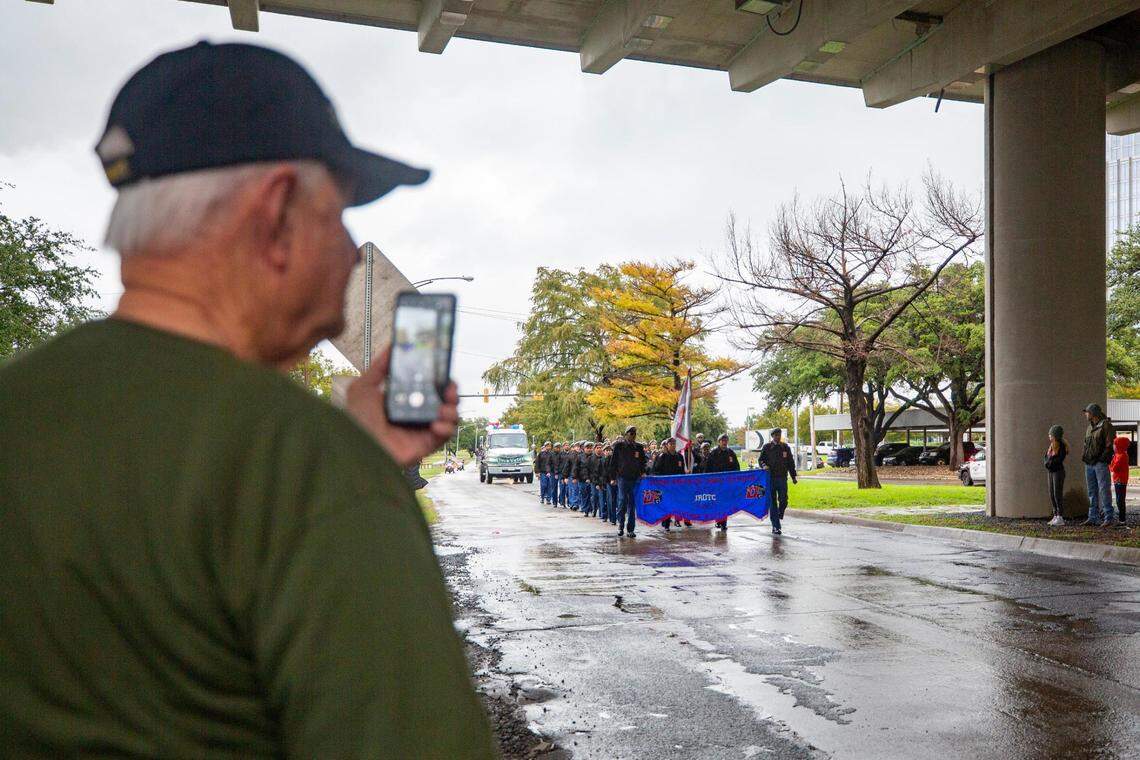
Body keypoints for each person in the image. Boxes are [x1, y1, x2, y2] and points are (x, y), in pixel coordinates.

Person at [0, 42, 494, 757]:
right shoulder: (304, 468)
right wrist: (347, 471)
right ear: (278, 211)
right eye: (340, 212)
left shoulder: (21, 404)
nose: (353, 249)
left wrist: (362, 457)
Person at [1081, 403, 1116, 526]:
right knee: (1092, 491)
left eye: (1087, 412)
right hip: (1089, 463)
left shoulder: (1106, 425)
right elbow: (1086, 444)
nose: (1085, 414)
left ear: (1093, 414)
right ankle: (1093, 517)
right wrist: (1085, 458)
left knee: (1104, 489)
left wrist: (1101, 460)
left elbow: (1109, 445)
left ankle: (1109, 517)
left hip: (1100, 463)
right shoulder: (1089, 427)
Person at [758, 428, 798, 535]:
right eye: (776, 435)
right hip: (770, 478)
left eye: (779, 435)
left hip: (782, 478)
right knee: (773, 503)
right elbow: (760, 460)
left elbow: (790, 462)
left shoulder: (785, 447)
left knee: (784, 499)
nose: (778, 437)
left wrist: (793, 476)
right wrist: (764, 465)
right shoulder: (767, 447)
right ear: (772, 436)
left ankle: (781, 512)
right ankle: (776, 526)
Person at [610, 425, 647, 538]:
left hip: (634, 479)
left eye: (634, 434)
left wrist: (643, 472)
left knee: (632, 503)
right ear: (626, 434)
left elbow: (642, 462)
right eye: (631, 434)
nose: (633, 436)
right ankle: (620, 525)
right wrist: (612, 478)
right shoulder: (619, 446)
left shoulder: (639, 447)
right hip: (622, 478)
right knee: (622, 502)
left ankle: (630, 529)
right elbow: (613, 463)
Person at [703, 434, 741, 531]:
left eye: (726, 440)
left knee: (725, 503)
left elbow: (736, 467)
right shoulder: (714, 453)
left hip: (727, 483)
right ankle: (718, 520)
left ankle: (723, 523)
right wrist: (708, 482)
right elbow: (708, 468)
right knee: (717, 503)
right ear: (719, 442)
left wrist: (736, 479)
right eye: (722, 440)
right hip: (716, 483)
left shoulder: (731, 453)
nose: (724, 442)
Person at [653, 437, 687, 531]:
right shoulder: (662, 456)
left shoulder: (679, 457)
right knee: (665, 504)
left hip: (675, 486)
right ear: (667, 445)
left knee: (674, 504)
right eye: (671, 444)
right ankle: (666, 524)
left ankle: (674, 521)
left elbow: (682, 472)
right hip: (664, 486)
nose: (673, 446)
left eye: (674, 444)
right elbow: (655, 470)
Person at [1044, 425, 1068, 526]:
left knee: (1057, 493)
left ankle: (1060, 516)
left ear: (1055, 435)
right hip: (1050, 471)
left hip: (1058, 472)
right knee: (1051, 493)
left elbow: (1059, 459)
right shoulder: (1051, 446)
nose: (1049, 436)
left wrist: (1049, 463)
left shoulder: (1061, 446)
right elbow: (1046, 457)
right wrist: (1046, 463)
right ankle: (1055, 515)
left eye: (1051, 434)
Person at [1110, 435, 1130, 524]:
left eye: (1115, 444)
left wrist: (1111, 465)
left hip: (1121, 481)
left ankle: (1122, 519)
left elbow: (1113, 468)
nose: (1113, 446)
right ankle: (1121, 518)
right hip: (1117, 480)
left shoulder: (1122, 456)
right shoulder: (1117, 455)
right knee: (1118, 499)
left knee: (1120, 500)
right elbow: (1112, 466)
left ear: (1119, 445)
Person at [559, 440, 575, 508]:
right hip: (562, 474)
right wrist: (561, 476)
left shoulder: (571, 454)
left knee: (568, 489)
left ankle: (569, 502)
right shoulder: (561, 454)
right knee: (562, 489)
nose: (567, 446)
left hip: (569, 474)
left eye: (568, 445)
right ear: (563, 447)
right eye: (565, 445)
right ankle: (562, 502)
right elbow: (558, 465)